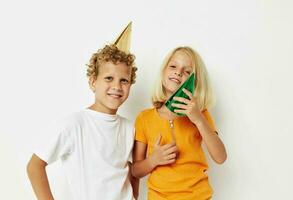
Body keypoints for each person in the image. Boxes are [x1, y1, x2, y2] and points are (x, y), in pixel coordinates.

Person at [27, 22, 139, 200]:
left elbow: (129, 171)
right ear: (93, 82)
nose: (117, 86)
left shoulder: (129, 128)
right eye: (109, 78)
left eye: (124, 80)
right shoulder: (74, 124)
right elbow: (35, 165)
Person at [132, 46, 227, 200]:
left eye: (187, 71)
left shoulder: (201, 114)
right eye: (173, 66)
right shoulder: (144, 118)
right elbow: (135, 171)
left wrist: (198, 120)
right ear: (163, 72)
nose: (178, 72)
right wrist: (153, 160)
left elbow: (220, 157)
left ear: (194, 82)